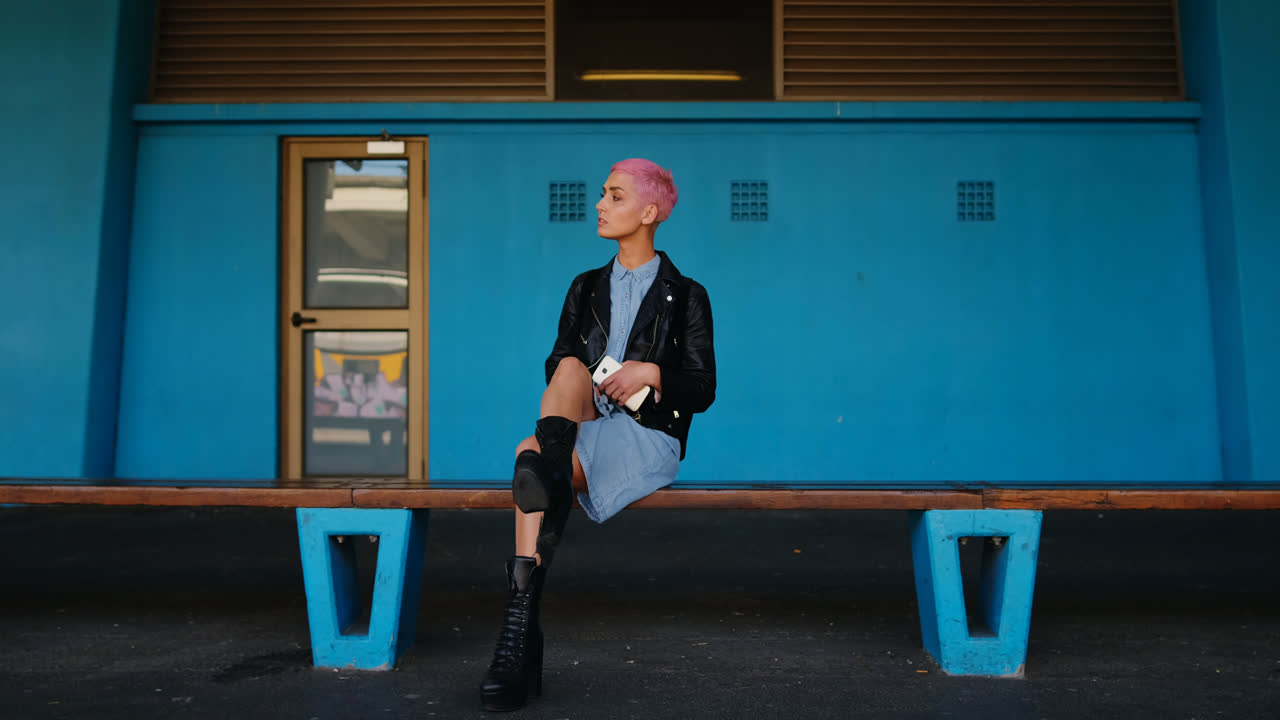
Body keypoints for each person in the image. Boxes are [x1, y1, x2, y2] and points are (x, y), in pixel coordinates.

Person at [480, 158, 717, 711]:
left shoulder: (687, 295)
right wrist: (591, 377)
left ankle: (518, 633)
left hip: (647, 435)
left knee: (531, 455)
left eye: (615, 196)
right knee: (564, 371)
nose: (600, 205)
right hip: (585, 421)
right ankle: (521, 628)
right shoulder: (585, 286)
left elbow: (703, 388)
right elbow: (560, 368)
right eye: (602, 195)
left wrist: (652, 373)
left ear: (649, 212)